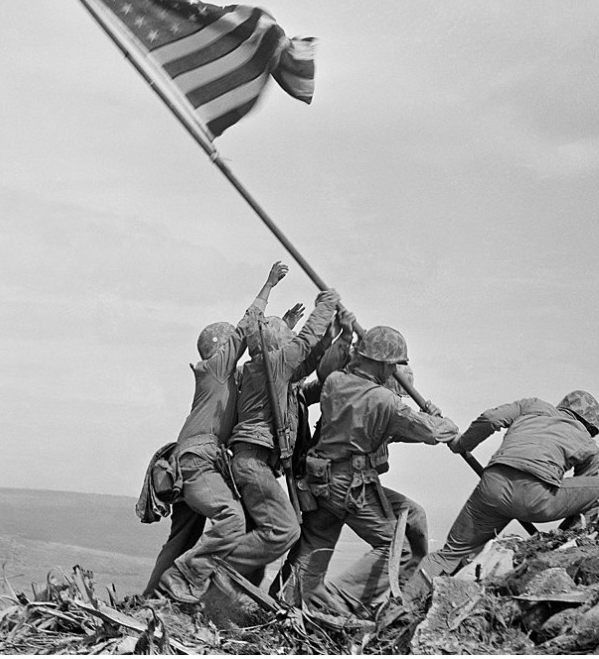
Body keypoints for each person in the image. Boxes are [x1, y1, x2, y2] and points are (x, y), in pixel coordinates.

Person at [287, 326, 459, 617]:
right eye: (392, 364)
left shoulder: (336, 383)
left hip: (320, 481)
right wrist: (444, 422)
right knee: (397, 548)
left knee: (316, 543)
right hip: (351, 485)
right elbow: (430, 432)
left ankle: (288, 600)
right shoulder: (385, 401)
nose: (393, 369)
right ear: (381, 363)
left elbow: (385, 427)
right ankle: (339, 603)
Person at [146, 261, 291, 603]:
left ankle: (150, 600)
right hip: (198, 462)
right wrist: (268, 286)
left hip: (190, 462)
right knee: (231, 518)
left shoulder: (224, 380)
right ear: (222, 348)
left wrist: (284, 327)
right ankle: (186, 580)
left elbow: (264, 358)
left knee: (181, 538)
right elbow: (246, 330)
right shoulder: (214, 369)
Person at [402, 390, 599, 603]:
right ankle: (568, 547)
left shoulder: (533, 405)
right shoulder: (588, 444)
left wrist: (462, 444)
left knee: (449, 554)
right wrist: (567, 532)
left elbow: (491, 419)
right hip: (536, 498)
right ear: (590, 426)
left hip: (492, 487)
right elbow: (583, 495)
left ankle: (402, 605)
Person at [222, 286, 344, 585]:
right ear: (278, 345)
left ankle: (231, 594)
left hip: (256, 462)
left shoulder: (268, 371)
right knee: (286, 530)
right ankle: (213, 567)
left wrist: (336, 334)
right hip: (253, 462)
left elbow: (310, 359)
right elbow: (305, 344)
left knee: (260, 537)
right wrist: (326, 305)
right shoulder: (271, 365)